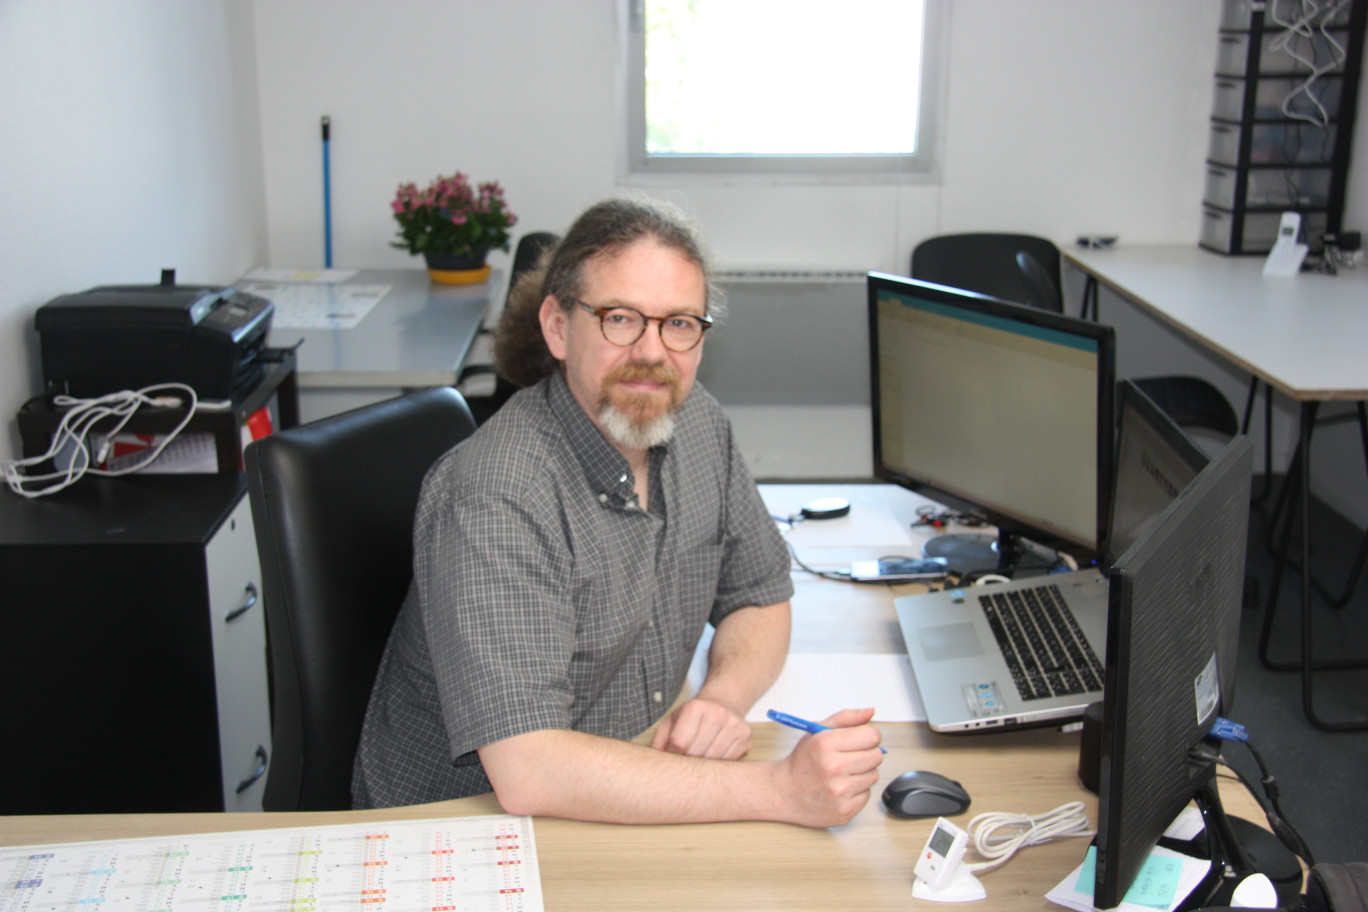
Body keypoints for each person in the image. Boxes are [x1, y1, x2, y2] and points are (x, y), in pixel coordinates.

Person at [353, 197, 884, 826]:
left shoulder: (699, 425)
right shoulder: (495, 492)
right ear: (556, 327)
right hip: (466, 825)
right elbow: (531, 770)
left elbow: (761, 595)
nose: (653, 352)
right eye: (621, 318)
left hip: (625, 774)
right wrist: (779, 792)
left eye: (680, 323)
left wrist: (720, 699)